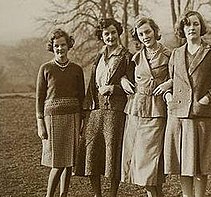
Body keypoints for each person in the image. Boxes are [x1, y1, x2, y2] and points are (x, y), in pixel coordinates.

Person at [163, 10, 211, 197]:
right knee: (183, 163)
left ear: (201, 27)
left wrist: (208, 97)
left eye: (195, 24)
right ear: (182, 29)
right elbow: (171, 81)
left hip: (202, 117)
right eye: (187, 24)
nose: (191, 28)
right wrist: (168, 95)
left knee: (200, 164)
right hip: (179, 116)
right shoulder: (175, 54)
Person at [77, 18, 134, 197]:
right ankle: (97, 194)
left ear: (118, 33)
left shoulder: (126, 56)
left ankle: (112, 194)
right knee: (92, 152)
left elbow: (132, 86)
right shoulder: (99, 56)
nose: (110, 36)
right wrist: (86, 111)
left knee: (112, 154)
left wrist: (113, 88)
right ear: (102, 36)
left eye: (113, 33)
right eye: (106, 34)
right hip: (96, 111)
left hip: (115, 112)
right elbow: (92, 85)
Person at [120, 17, 172, 197]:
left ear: (155, 31)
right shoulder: (135, 58)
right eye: (141, 34)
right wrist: (123, 79)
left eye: (148, 32)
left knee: (149, 162)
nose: (145, 36)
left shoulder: (169, 54)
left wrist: (169, 83)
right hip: (136, 111)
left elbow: (180, 76)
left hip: (157, 111)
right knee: (142, 163)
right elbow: (123, 74)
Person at [36, 29, 85, 197]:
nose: (60, 48)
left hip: (73, 117)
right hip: (52, 119)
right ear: (52, 47)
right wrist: (40, 123)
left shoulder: (77, 69)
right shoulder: (46, 68)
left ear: (68, 45)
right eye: (56, 45)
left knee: (69, 161)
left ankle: (63, 194)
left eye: (63, 45)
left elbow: (82, 96)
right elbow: (39, 98)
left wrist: (82, 121)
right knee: (57, 162)